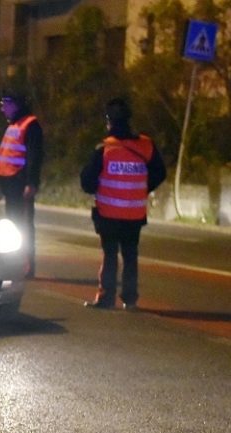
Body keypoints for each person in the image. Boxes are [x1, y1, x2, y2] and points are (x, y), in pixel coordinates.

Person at [80, 97, 166, 311]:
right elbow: (160, 172)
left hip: (109, 213)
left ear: (109, 121)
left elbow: (87, 182)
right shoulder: (146, 145)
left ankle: (106, 298)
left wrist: (101, 187)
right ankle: (130, 299)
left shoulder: (105, 149)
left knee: (110, 255)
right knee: (130, 255)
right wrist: (142, 187)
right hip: (134, 215)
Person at [0, 90, 43, 278]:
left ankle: (25, 266)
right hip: (9, 182)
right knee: (12, 226)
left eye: (5, 104)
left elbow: (34, 157)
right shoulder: (14, 124)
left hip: (19, 184)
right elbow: (5, 154)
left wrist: (31, 183)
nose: (2, 108)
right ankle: (14, 263)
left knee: (23, 226)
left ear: (15, 105)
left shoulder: (30, 125)